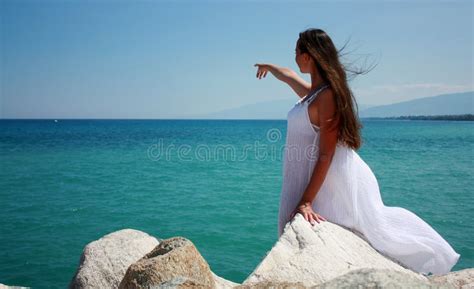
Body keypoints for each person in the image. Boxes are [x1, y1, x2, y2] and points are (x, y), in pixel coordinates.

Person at [253, 28, 460, 276]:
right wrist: (270, 67)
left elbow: (326, 154)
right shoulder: (314, 94)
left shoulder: (326, 96)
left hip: (335, 182)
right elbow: (287, 76)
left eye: (296, 52)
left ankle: (427, 255)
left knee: (377, 231)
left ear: (308, 56)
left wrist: (307, 201)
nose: (294, 58)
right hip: (306, 175)